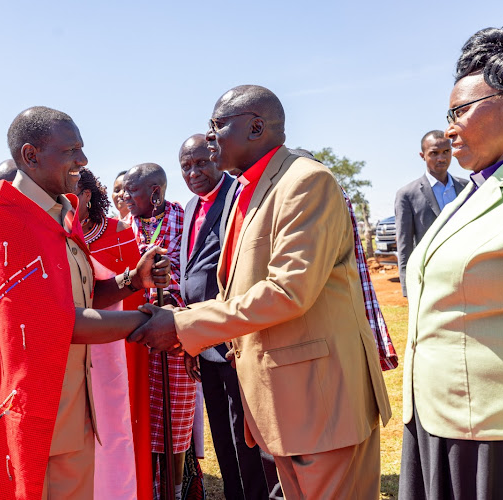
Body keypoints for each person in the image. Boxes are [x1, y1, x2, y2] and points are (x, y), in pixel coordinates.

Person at [129, 85, 392, 499]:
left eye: (217, 125)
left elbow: (288, 290)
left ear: (255, 127)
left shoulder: (306, 181)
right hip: (282, 403)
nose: (210, 137)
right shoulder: (248, 191)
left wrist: (183, 325)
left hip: (319, 403)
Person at [0, 106, 171, 500]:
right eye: (71, 150)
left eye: (82, 148)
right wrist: (153, 321)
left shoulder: (58, 214)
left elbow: (81, 297)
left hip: (73, 405)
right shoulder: (4, 222)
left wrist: (130, 282)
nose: (83, 160)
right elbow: (56, 322)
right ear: (31, 155)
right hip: (36, 412)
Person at [400, 24, 503, 499]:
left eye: (461, 111)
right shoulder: (469, 194)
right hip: (435, 421)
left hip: (496, 438)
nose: (449, 129)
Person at [178, 133, 274, 500]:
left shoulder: (238, 196)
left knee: (245, 436)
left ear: (216, 157)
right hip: (204, 340)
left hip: (233, 337)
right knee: (222, 433)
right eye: (186, 166)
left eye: (201, 162)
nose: (194, 171)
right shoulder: (191, 207)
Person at [122, 162, 197, 499]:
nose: (124, 196)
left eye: (131, 191)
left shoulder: (185, 221)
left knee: (176, 424)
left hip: (176, 335)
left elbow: (196, 276)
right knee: (141, 421)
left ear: (155, 192)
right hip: (138, 337)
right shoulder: (125, 227)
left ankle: (175, 490)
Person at [76, 167, 151, 500]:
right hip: (75, 348)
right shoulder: (55, 235)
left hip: (120, 349)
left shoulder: (120, 232)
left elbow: (135, 293)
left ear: (87, 196)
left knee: (121, 423)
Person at [394, 130, 468, 296]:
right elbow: (404, 245)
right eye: (434, 153)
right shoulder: (407, 195)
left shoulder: (467, 187)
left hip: (466, 274)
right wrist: (408, 290)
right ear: (423, 155)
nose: (441, 158)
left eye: (446, 152)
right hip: (431, 279)